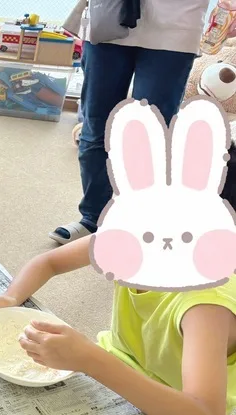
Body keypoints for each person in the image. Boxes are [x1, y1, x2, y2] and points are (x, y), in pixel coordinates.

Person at [0, 159, 236, 415]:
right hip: (117, 367)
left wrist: (89, 359)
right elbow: (49, 262)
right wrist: (11, 296)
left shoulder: (206, 303)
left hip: (176, 414)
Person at [50, 0, 211, 244]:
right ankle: (93, 218)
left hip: (176, 27)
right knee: (97, 125)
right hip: (107, 20)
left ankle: (136, 222)